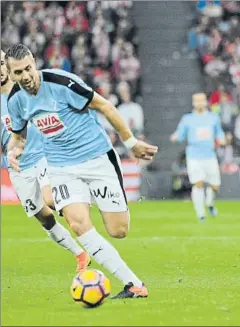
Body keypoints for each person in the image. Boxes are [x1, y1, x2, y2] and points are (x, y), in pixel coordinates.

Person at [5, 44, 158, 299]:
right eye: (19, 72)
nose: (26, 76)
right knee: (77, 223)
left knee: (118, 231)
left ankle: (96, 202)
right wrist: (13, 150)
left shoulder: (62, 83)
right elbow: (18, 136)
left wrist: (131, 143)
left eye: (28, 68)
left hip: (97, 158)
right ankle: (134, 284)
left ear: (34, 62)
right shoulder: (16, 100)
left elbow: (105, 106)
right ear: (11, 75)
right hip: (61, 166)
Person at [1, 49, 90, 273]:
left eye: (1, 64)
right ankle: (80, 254)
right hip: (19, 167)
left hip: (43, 154)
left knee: (51, 199)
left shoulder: (26, 88)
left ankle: (82, 212)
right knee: (43, 217)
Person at [170, 92, 226, 220]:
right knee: (198, 183)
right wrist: (175, 137)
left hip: (210, 155)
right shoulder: (187, 119)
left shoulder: (213, 118)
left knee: (214, 185)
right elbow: (180, 133)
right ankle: (200, 213)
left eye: (202, 100)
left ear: (206, 102)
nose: (199, 103)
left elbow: (219, 133)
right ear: (193, 103)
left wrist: (222, 139)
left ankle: (210, 203)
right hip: (194, 155)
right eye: (197, 101)